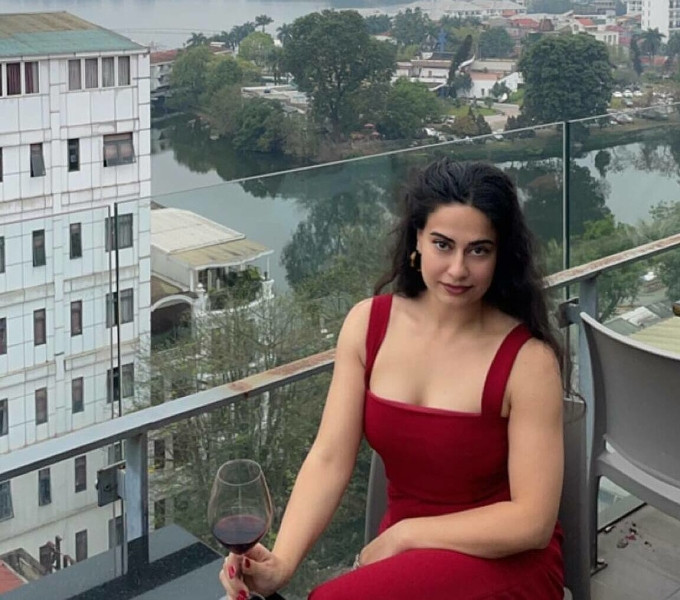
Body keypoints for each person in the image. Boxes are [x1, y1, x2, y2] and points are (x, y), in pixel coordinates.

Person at [220, 159, 565, 600]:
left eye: (479, 250)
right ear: (417, 239)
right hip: (406, 557)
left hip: (503, 558)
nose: (458, 269)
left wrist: (407, 534)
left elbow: (533, 522)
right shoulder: (368, 325)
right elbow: (329, 457)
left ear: (500, 255)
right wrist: (282, 563)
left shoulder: (528, 361)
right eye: (443, 245)